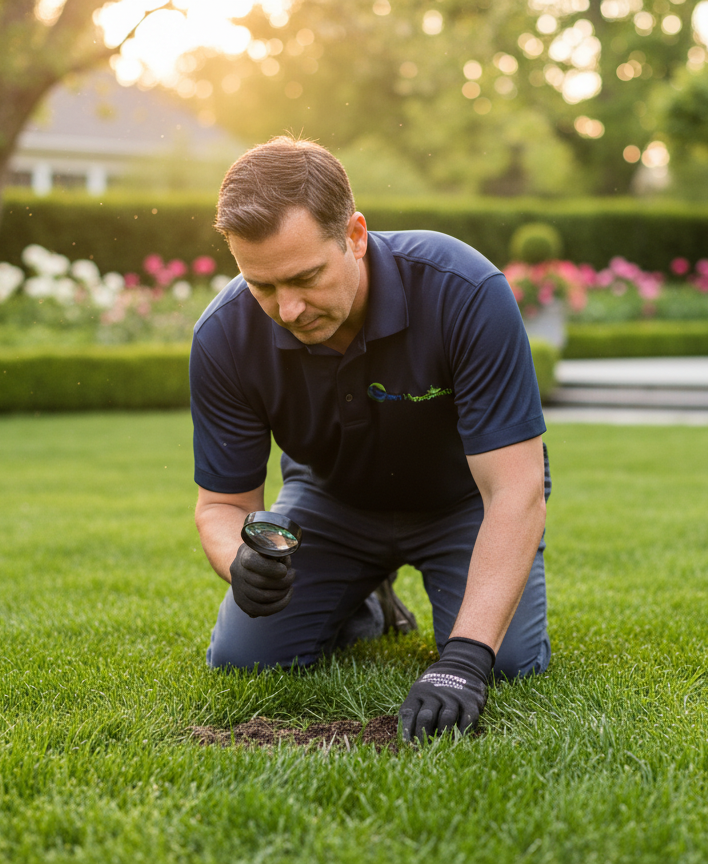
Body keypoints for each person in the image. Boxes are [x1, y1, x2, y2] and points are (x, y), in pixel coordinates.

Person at [190, 137, 551, 742]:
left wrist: (464, 659)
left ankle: (432, 614)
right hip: (330, 504)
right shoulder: (224, 336)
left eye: (307, 276)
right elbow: (223, 506)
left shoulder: (464, 291)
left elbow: (516, 492)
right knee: (243, 658)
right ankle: (363, 605)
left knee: (506, 664)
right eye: (263, 286)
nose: (290, 309)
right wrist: (239, 561)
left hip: (463, 502)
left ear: (355, 235)